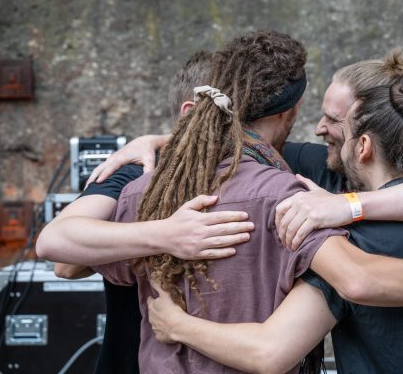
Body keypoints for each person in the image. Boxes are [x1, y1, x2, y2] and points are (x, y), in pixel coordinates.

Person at [91, 31, 403, 373]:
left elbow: (274, 348)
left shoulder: (353, 231)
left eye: (333, 120)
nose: (319, 128)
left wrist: (348, 207)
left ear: (362, 142)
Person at [36, 52, 254, 374]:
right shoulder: (136, 171)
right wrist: (167, 235)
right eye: (236, 117)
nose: (246, 133)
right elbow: (63, 262)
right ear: (192, 112)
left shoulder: (269, 170)